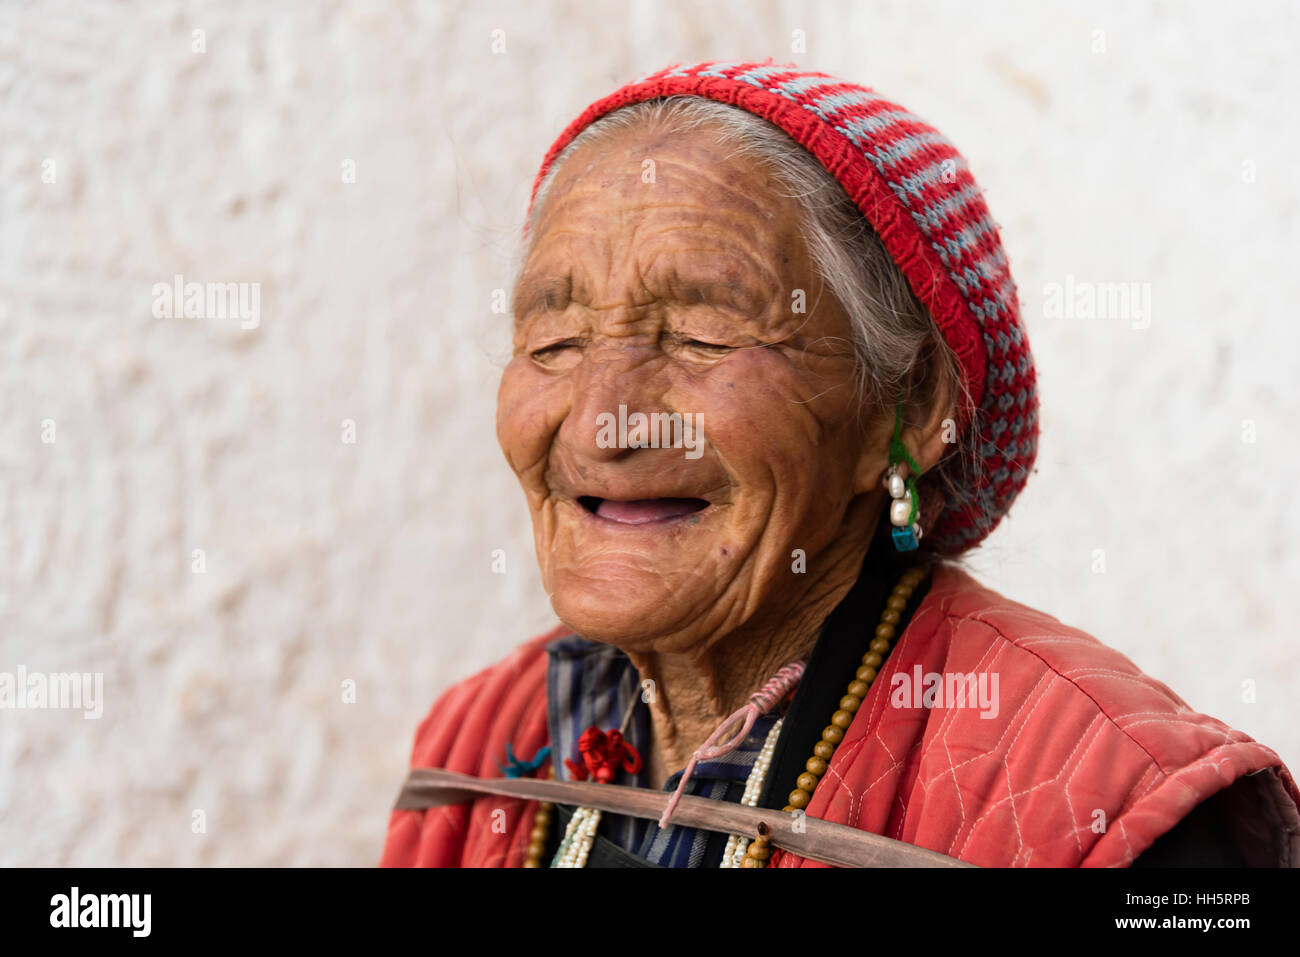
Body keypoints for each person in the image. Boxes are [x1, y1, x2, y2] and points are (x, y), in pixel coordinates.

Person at [380, 60, 1299, 868]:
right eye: (556, 339)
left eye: (702, 333)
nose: (606, 418)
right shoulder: (483, 741)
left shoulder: (1109, 804)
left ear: (909, 409)